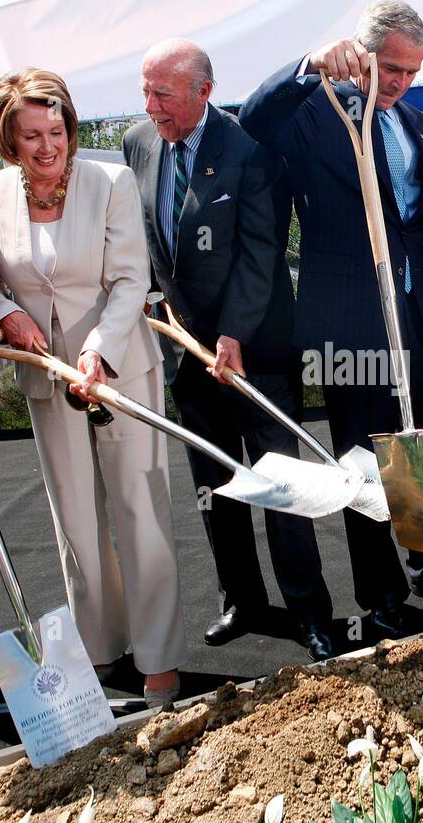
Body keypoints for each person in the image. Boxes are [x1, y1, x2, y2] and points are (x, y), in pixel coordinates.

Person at [240, 0, 423, 639]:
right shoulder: (314, 113)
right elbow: (254, 119)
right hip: (349, 322)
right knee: (367, 456)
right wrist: (308, 65)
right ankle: (381, 593)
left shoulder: (418, 127)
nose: (400, 82)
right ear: (362, 53)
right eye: (391, 68)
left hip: (418, 310)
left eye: (411, 71)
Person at [0, 68, 186, 706]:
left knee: (141, 513)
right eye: (30, 135)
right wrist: (2, 312)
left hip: (119, 370)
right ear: (9, 139)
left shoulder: (109, 181)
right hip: (46, 379)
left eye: (56, 130)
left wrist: (97, 353)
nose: (47, 146)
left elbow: (128, 281)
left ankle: (160, 659)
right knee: (76, 521)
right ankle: (100, 647)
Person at [122, 39, 336, 661]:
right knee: (214, 484)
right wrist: (152, 294)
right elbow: (148, 234)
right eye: (146, 90)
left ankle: (309, 609)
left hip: (255, 347)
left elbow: (260, 253)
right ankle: (242, 599)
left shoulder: (250, 151)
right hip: (187, 350)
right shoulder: (139, 142)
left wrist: (233, 334)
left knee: (281, 483)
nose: (150, 105)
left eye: (163, 93)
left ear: (203, 92)